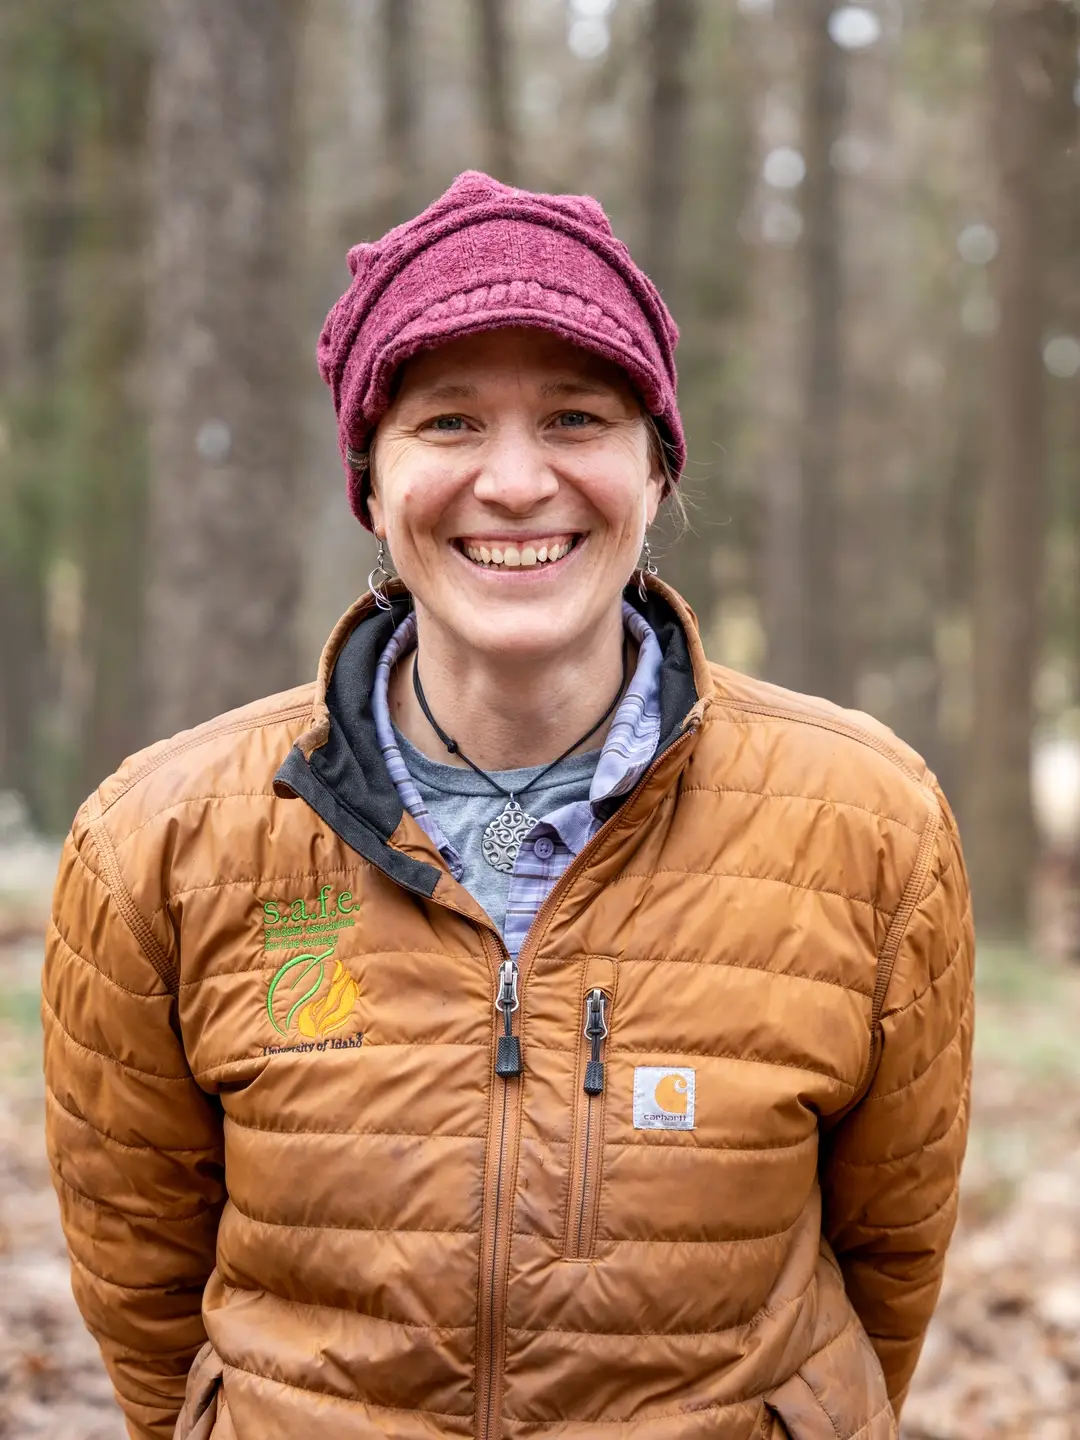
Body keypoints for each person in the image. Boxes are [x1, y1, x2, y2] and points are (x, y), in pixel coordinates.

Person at [43, 171, 973, 1440]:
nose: (519, 481)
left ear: (656, 469)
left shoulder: (868, 824)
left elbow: (889, 1262)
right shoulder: (159, 841)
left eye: (579, 417)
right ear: (371, 479)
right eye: (449, 423)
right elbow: (145, 1293)